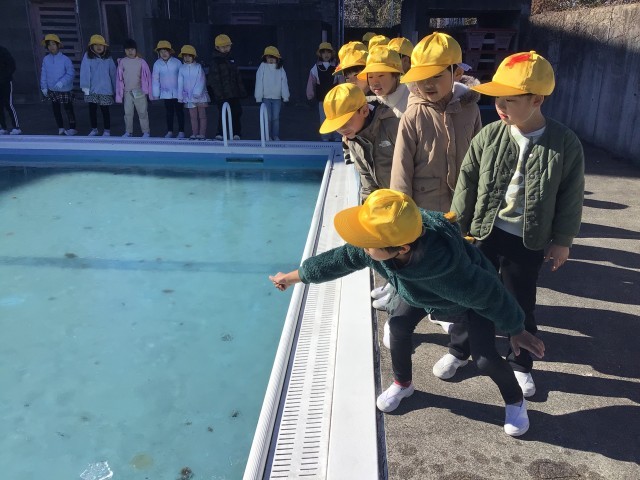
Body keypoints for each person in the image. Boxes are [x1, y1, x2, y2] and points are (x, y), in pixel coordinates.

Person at [269, 188, 545, 437]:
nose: (362, 247)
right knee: (398, 326)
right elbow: (336, 261)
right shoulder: (386, 241)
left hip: (471, 303)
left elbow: (494, 294)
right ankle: (403, 383)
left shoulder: (454, 275)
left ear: (401, 249)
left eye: (367, 242)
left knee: (485, 359)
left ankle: (515, 400)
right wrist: (292, 278)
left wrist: (516, 329)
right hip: (418, 292)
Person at [445, 51, 585, 397]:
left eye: (510, 100)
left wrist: (563, 240)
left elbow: (571, 194)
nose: (500, 107)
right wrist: (456, 227)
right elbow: (467, 182)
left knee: (520, 300)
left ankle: (520, 362)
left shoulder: (564, 142)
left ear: (537, 100)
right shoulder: (489, 135)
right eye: (497, 99)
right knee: (471, 291)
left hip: (528, 238)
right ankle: (459, 349)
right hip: (483, 231)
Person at [375, 33, 482, 323]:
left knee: (455, 260)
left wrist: (477, 202)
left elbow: (478, 158)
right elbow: (401, 167)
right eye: (422, 78)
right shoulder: (414, 114)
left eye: (437, 76)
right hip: (424, 206)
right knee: (423, 262)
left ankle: (448, 311)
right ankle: (409, 311)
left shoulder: (471, 109)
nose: (428, 84)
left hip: (460, 205)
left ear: (456, 73)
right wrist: (401, 212)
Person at [207, 34, 247, 141]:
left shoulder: (231, 59)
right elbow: (214, 80)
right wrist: (219, 94)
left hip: (234, 92)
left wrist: (241, 91)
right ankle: (220, 133)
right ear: (217, 48)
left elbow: (237, 76)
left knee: (237, 112)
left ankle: (236, 133)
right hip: (222, 94)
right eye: (223, 47)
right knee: (223, 113)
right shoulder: (215, 61)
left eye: (227, 46)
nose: (226, 48)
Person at [40, 34, 76, 135]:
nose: (51, 47)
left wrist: (62, 82)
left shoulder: (65, 59)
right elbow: (43, 73)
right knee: (56, 109)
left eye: (53, 44)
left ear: (58, 45)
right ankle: (60, 127)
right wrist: (44, 87)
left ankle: (72, 128)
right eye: (49, 45)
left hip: (65, 89)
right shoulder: (46, 59)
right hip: (53, 89)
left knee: (68, 109)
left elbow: (71, 73)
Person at [80, 34, 116, 137]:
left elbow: (113, 73)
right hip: (92, 89)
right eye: (96, 45)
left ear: (104, 46)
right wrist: (85, 87)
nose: (99, 47)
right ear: (91, 46)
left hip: (105, 89)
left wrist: (116, 88)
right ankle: (94, 129)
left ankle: (107, 130)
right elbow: (85, 72)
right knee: (92, 110)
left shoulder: (108, 58)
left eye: (101, 45)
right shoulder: (87, 56)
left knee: (105, 110)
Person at [116, 38, 152, 138]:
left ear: (136, 50)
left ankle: (146, 132)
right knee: (128, 113)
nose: (130, 52)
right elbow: (119, 79)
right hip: (127, 92)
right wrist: (120, 93)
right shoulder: (122, 62)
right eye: (127, 50)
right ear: (124, 51)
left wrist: (149, 92)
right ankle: (128, 132)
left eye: (132, 49)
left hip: (139, 91)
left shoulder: (141, 62)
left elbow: (148, 77)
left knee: (143, 112)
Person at [306, 42, 340, 141]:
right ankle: (325, 136)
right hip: (322, 99)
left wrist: (344, 94)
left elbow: (341, 81)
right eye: (323, 52)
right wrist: (310, 94)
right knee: (324, 119)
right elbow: (311, 81)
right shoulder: (315, 67)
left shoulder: (337, 66)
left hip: (335, 99)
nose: (326, 54)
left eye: (328, 52)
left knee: (336, 117)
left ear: (332, 54)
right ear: (320, 54)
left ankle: (337, 136)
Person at [254, 46, 290, 141]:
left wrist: (285, 96)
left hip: (277, 98)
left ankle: (275, 135)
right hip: (266, 97)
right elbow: (259, 82)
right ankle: (267, 136)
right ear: (265, 58)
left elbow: (284, 82)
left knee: (275, 118)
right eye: (268, 57)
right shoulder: (263, 66)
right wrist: (258, 97)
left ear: (277, 58)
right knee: (267, 118)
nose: (270, 59)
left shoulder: (280, 68)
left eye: (273, 57)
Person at [152, 40, 185, 139]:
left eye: (166, 51)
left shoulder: (177, 62)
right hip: (166, 93)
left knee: (180, 112)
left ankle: (181, 132)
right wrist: (156, 94)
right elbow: (155, 79)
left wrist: (184, 92)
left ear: (170, 52)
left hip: (178, 93)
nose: (164, 54)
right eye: (161, 52)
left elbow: (183, 77)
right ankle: (170, 132)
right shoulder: (157, 64)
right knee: (169, 113)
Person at [177, 45, 210, 140]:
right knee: (193, 117)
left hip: (200, 96)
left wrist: (197, 93)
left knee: (202, 116)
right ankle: (194, 133)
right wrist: (180, 96)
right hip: (189, 97)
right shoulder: (182, 68)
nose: (187, 58)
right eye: (185, 56)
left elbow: (201, 80)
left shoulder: (198, 67)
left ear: (193, 57)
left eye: (189, 56)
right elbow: (180, 82)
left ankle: (202, 133)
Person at [0, 45, 21, 135]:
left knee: (9, 104)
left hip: (6, 82)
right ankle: (3, 127)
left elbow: (12, 65)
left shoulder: (3, 51)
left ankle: (16, 127)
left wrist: (4, 77)